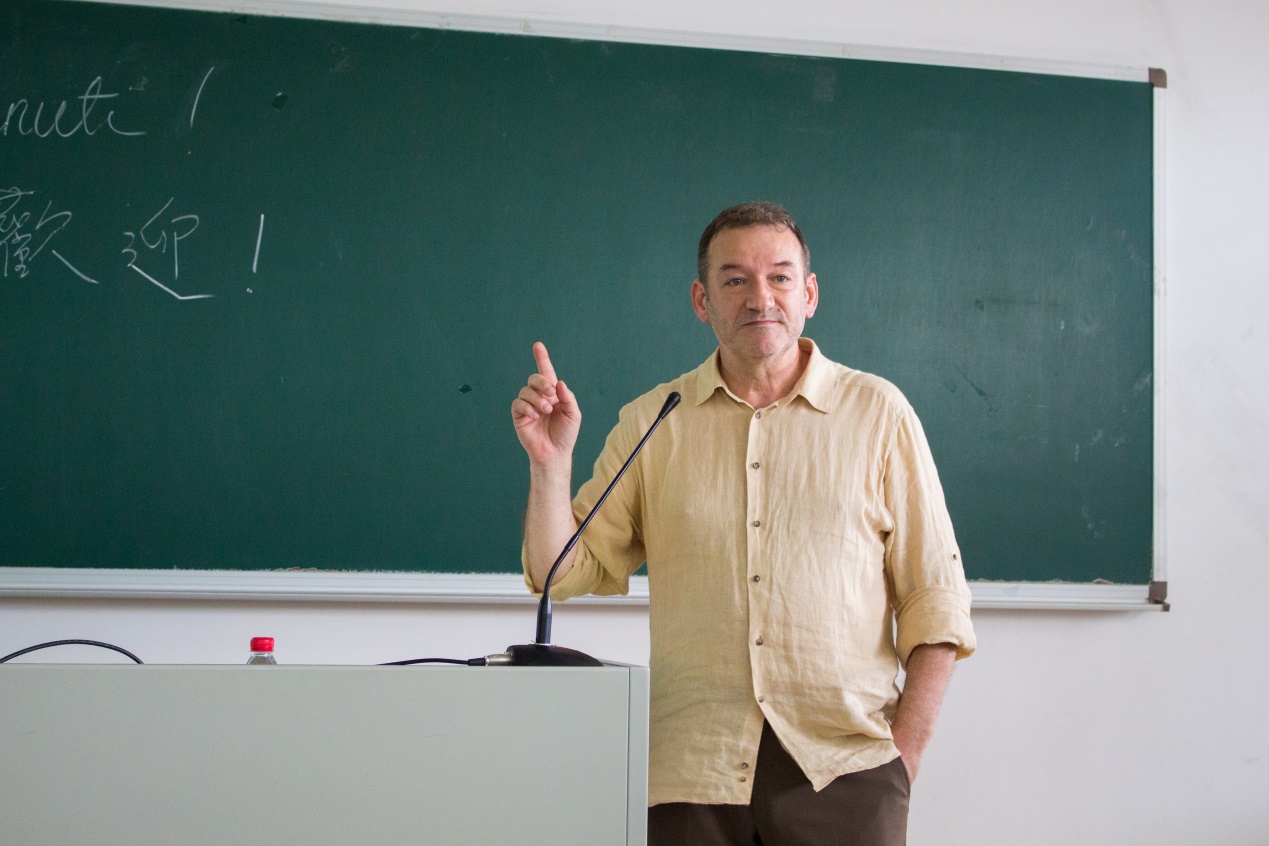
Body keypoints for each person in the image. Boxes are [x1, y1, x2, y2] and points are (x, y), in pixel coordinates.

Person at [511, 202, 975, 846]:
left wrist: (903, 760)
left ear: (809, 294)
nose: (761, 297)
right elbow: (558, 574)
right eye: (735, 280)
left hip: (844, 772)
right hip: (690, 775)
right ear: (701, 301)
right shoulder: (653, 420)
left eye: (780, 277)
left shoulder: (879, 414)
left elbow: (936, 600)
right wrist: (551, 465)